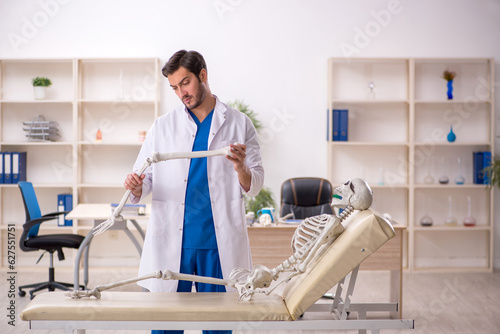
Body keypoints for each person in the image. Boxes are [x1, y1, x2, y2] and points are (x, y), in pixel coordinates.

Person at [124, 50, 264, 334]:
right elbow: (145, 176)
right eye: (174, 87)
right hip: (174, 241)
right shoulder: (163, 126)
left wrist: (240, 167)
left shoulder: (239, 123)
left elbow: (255, 183)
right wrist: (138, 186)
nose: (181, 93)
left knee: (218, 326)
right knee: (166, 326)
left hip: (217, 243)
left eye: (185, 83)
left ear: (203, 75)